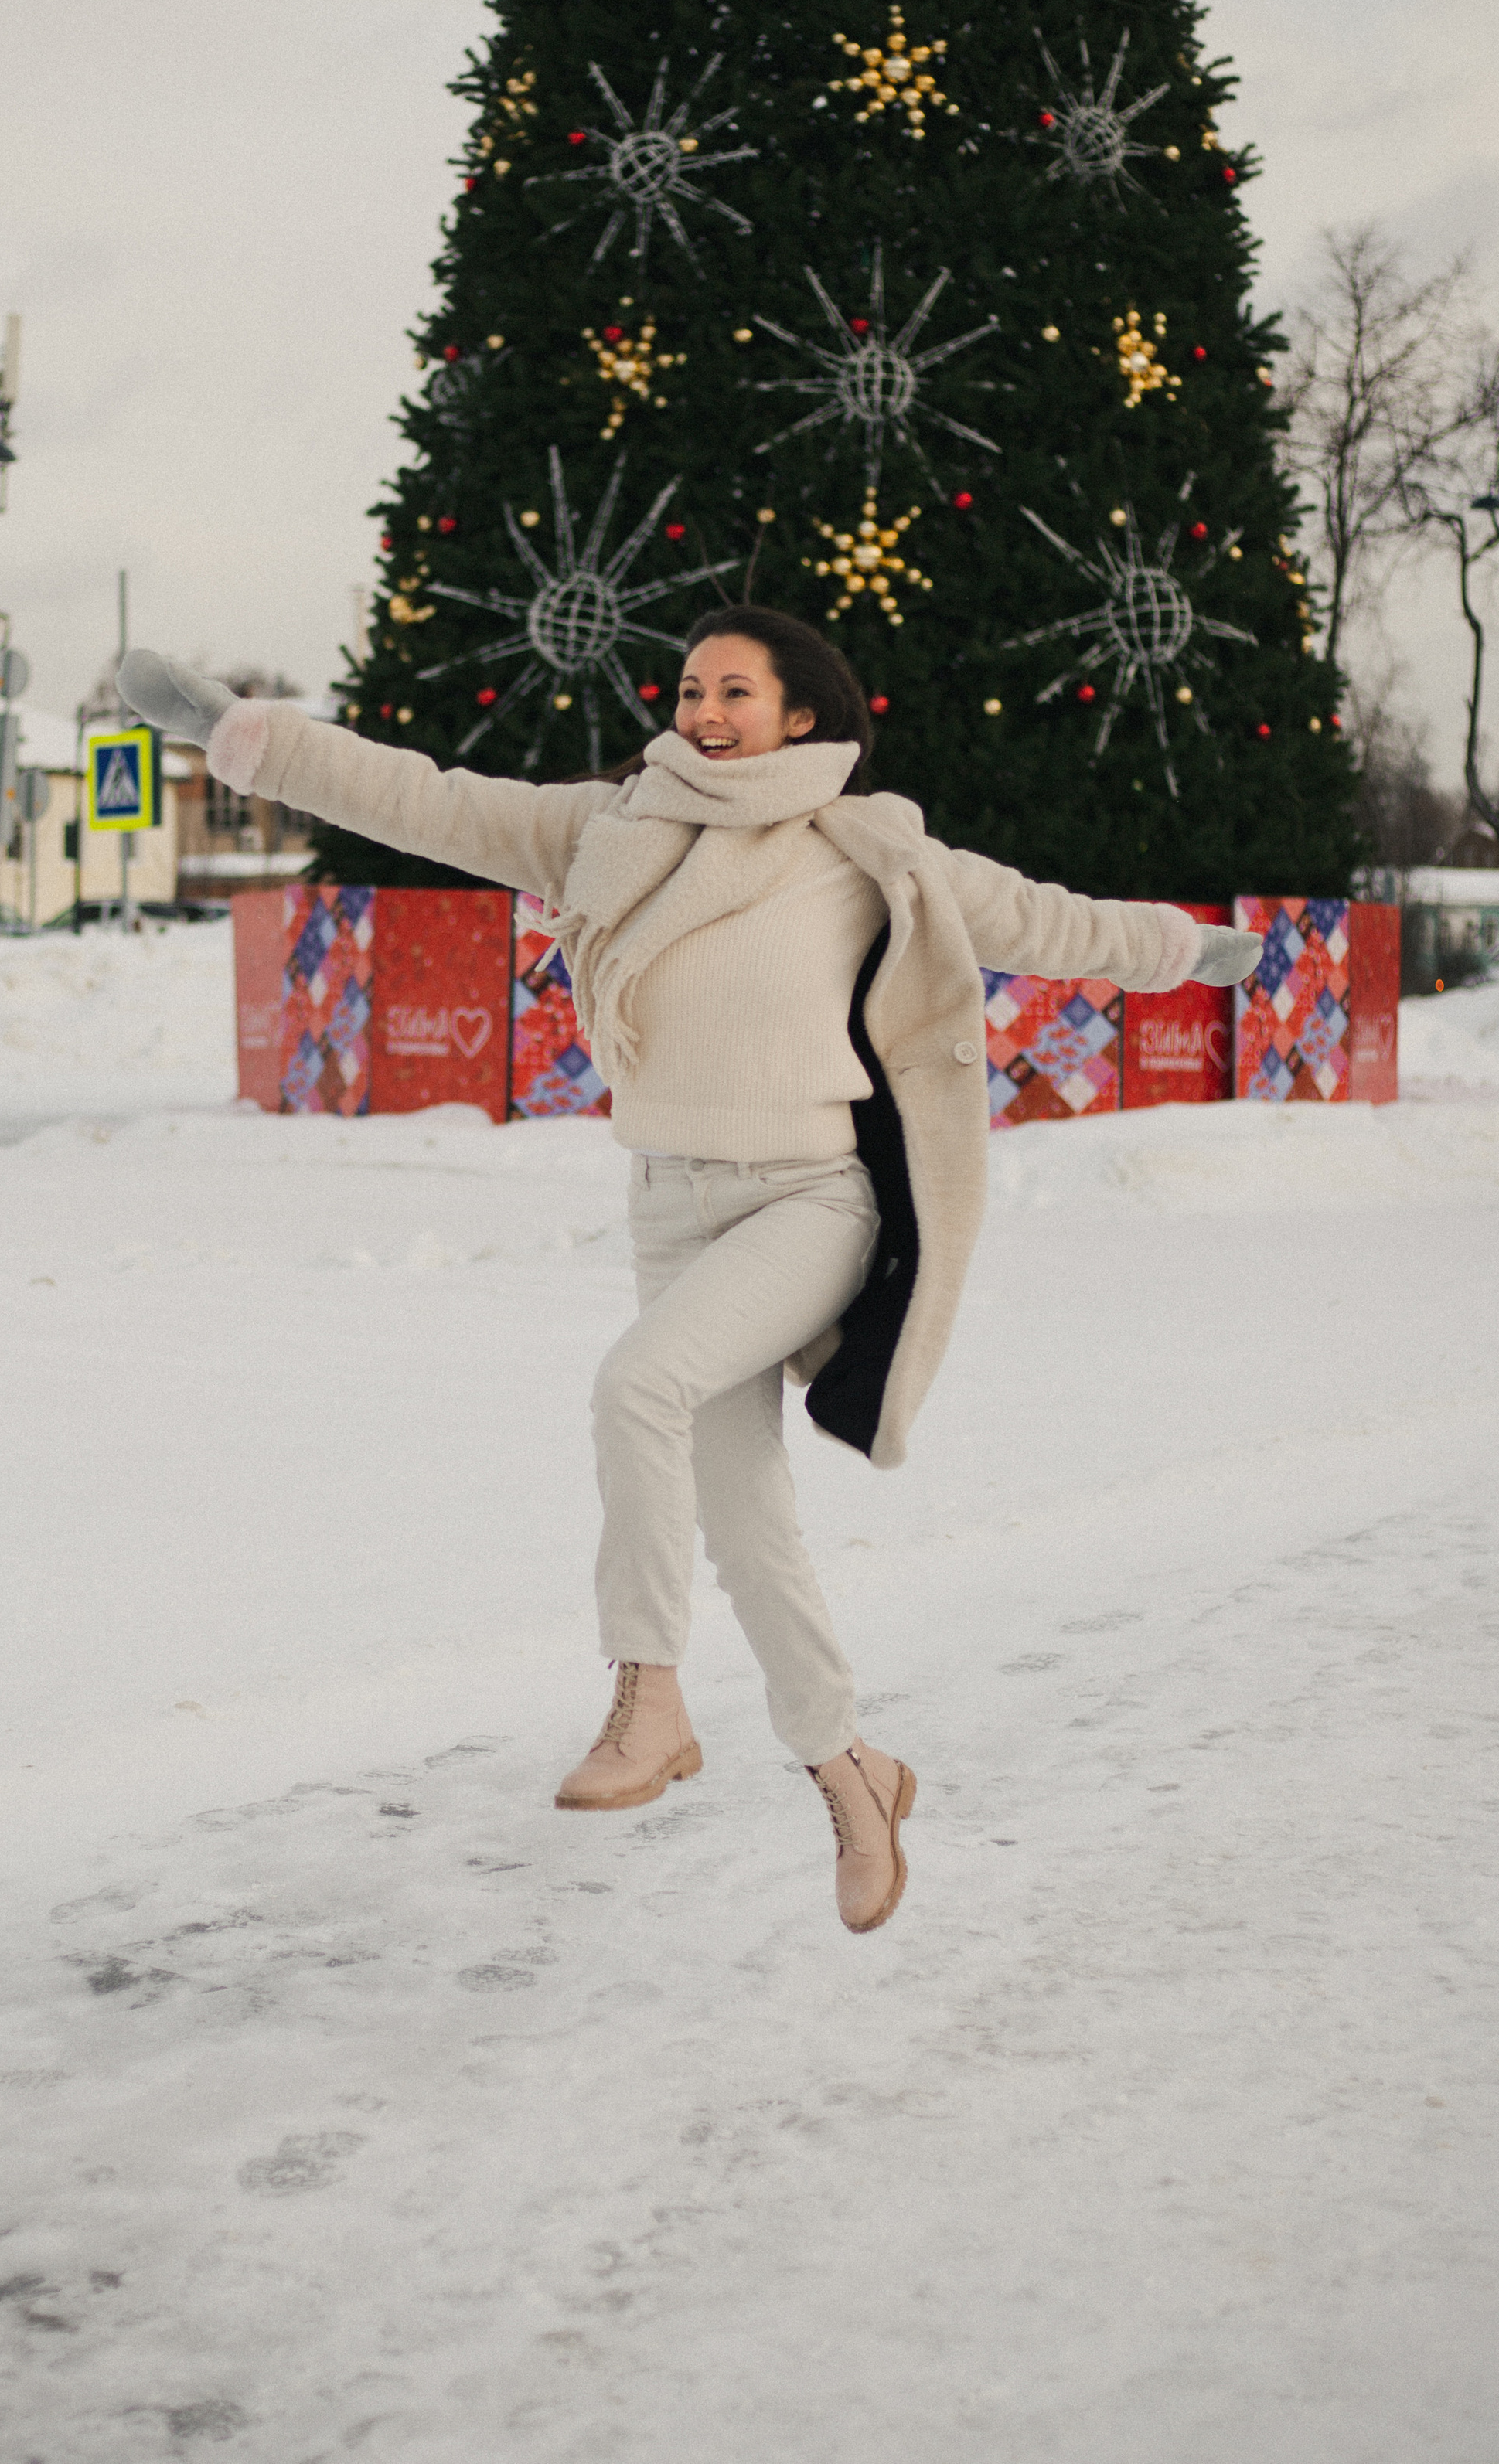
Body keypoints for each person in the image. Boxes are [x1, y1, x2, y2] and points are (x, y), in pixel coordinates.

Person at [119, 611, 1262, 1935]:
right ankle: (856, 1778)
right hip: (669, 1204)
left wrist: (1186, 949)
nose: (707, 710)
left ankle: (648, 1696)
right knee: (747, 1530)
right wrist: (239, 734)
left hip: (807, 1200)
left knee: (636, 1389)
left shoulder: (865, 847)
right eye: (692, 688)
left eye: (738, 690)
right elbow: (419, 796)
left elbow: (1044, 922)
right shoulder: (610, 830)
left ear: (803, 717)